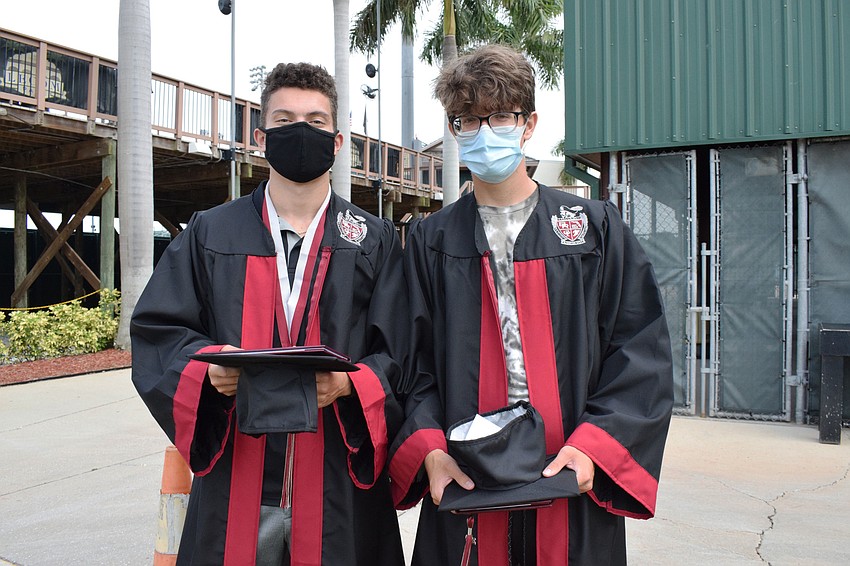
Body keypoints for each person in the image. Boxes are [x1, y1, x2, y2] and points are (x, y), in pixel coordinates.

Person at [388, 44, 674, 565]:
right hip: (466, 475)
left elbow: (639, 348)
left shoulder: (591, 229)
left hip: (568, 471)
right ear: (454, 130)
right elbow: (411, 364)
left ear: (529, 124)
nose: (484, 131)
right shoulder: (432, 241)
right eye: (468, 120)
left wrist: (594, 445)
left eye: (500, 116)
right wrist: (429, 448)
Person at [131, 62, 406, 566]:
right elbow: (159, 330)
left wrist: (352, 384)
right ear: (261, 137)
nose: (300, 131)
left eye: (315, 121)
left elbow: (403, 351)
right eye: (284, 120)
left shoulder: (373, 240)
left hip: (337, 487)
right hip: (237, 480)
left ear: (337, 141)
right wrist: (208, 369)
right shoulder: (211, 232)